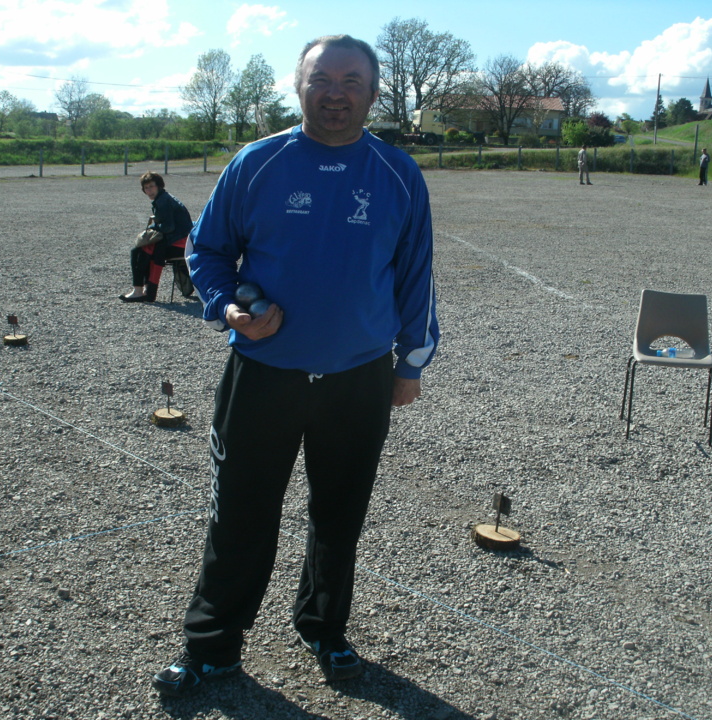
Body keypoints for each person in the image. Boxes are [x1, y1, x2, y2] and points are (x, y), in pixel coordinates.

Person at [152, 34, 439, 698]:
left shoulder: (398, 173)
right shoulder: (256, 163)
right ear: (298, 84)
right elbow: (207, 251)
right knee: (241, 512)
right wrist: (228, 309)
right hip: (264, 374)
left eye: (351, 81)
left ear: (372, 92)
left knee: (340, 516)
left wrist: (410, 363)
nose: (335, 92)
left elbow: (416, 276)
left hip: (359, 377)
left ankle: (323, 627)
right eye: (322, 79)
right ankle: (212, 646)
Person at [119, 171, 194, 302]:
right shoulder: (163, 198)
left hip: (180, 244)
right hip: (183, 240)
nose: (149, 190)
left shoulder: (163, 201)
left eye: (152, 186)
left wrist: (151, 229)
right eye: (146, 188)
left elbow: (168, 227)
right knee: (144, 249)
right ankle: (147, 291)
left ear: (159, 186)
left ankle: (139, 291)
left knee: (138, 251)